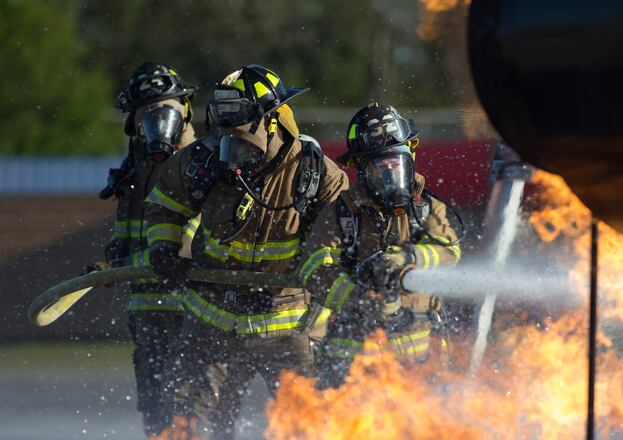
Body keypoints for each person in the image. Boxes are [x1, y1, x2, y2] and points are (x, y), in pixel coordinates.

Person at [144, 64, 348, 439]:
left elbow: (340, 236)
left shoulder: (315, 174)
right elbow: (164, 206)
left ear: (271, 123)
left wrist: (324, 274)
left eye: (240, 140)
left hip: (286, 326)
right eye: (225, 138)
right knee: (190, 424)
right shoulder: (202, 161)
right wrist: (164, 248)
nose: (230, 152)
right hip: (211, 322)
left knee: (307, 426)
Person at [298, 102, 462, 388]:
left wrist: (407, 258)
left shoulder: (425, 208)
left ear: (409, 160)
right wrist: (358, 298)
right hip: (351, 358)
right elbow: (313, 266)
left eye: (396, 163)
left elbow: (449, 252)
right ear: (361, 170)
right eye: (380, 166)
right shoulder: (341, 213)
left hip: (417, 355)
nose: (390, 173)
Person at [94, 61, 198, 437]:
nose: (158, 119)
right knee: (154, 403)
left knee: (190, 402)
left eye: (166, 108)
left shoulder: (203, 162)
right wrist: (112, 260)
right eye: (148, 112)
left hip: (191, 306)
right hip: (145, 307)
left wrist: (131, 264)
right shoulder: (134, 166)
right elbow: (127, 229)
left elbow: (187, 245)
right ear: (133, 120)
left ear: (185, 109)